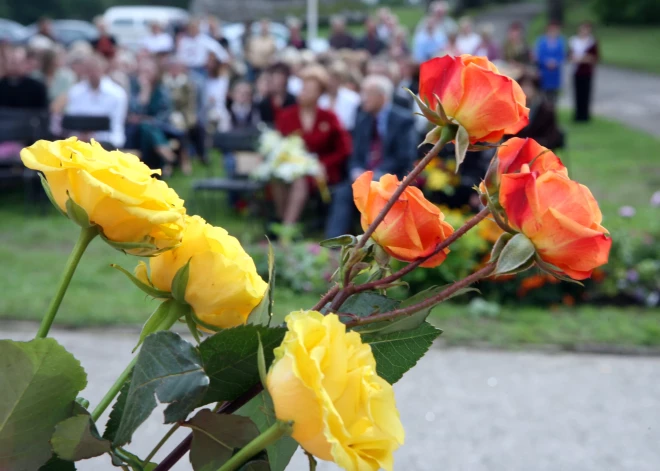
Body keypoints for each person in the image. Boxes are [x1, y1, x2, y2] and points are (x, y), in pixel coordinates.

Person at [326, 74, 417, 238]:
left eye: (367, 94)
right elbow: (355, 155)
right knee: (343, 192)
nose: (363, 99)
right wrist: (355, 169)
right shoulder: (363, 120)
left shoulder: (403, 120)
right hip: (364, 177)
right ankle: (334, 243)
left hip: (391, 179)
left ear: (382, 96)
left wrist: (378, 173)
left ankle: (375, 243)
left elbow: (404, 156)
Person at [273, 65, 352, 227]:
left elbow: (344, 149)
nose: (304, 92)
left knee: (300, 182)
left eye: (309, 89)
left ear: (319, 93)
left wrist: (323, 164)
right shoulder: (286, 115)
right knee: (278, 179)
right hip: (290, 166)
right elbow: (278, 144)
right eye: (303, 88)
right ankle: (282, 223)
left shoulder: (329, 117)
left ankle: (286, 231)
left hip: (321, 170)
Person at [126, 59, 178, 171]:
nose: (146, 75)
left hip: (160, 126)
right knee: (144, 126)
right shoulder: (135, 90)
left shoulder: (162, 91)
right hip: (137, 129)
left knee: (147, 127)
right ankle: (162, 152)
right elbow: (135, 112)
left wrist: (148, 120)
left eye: (148, 71)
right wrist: (145, 93)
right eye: (143, 72)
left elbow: (164, 114)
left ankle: (149, 165)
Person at [65, 54, 127, 148]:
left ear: (103, 69)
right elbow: (72, 122)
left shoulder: (117, 94)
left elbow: (116, 126)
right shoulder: (75, 92)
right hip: (79, 143)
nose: (92, 73)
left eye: (95, 68)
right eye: (89, 69)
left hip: (107, 143)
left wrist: (95, 138)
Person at [513, 73, 563, 150]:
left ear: (535, 89)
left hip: (539, 151)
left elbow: (551, 137)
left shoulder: (546, 110)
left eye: (529, 87)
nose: (525, 90)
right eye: (522, 86)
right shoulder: (513, 110)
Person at [318, 60, 361, 131]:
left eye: (336, 79)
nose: (332, 82)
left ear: (342, 80)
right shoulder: (319, 97)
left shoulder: (353, 98)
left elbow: (351, 123)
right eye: (330, 78)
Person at [569, 21, 599, 122]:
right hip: (577, 71)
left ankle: (585, 115)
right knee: (577, 93)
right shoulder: (574, 41)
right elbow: (571, 57)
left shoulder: (592, 42)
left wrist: (582, 58)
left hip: (587, 72)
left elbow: (594, 58)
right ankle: (578, 115)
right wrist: (583, 58)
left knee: (586, 93)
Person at [534, 21, 566, 104]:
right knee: (544, 94)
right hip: (544, 71)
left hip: (555, 72)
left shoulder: (560, 42)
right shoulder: (541, 41)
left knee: (554, 94)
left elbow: (562, 55)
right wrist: (546, 62)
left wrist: (555, 62)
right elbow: (538, 55)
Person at [205, 53, 230, 132]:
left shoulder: (224, 80)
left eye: (213, 62)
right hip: (205, 111)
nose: (211, 65)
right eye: (209, 62)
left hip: (221, 111)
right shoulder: (202, 81)